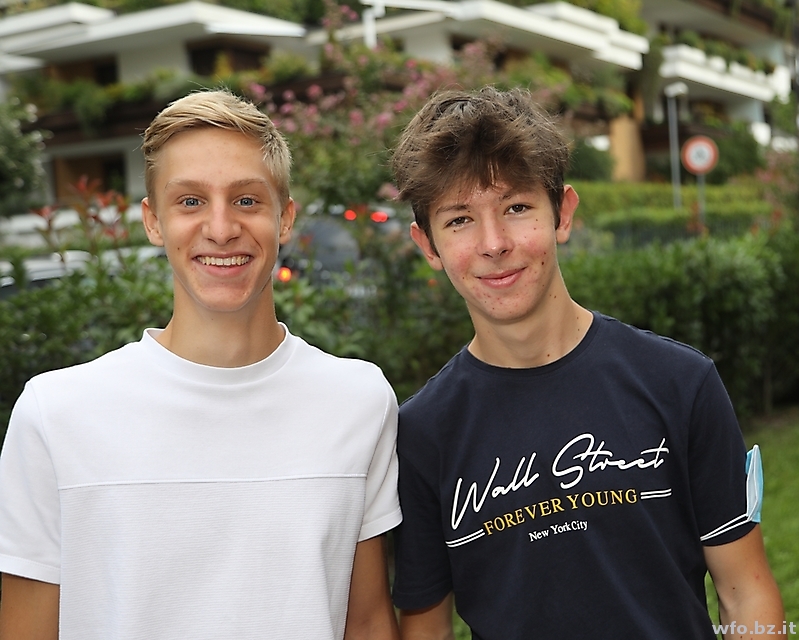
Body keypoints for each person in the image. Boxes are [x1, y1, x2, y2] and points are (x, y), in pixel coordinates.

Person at [0, 90, 401, 640]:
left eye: (246, 200)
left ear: (285, 218)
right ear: (153, 222)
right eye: (190, 201)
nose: (220, 228)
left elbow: (369, 623)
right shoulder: (55, 413)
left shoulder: (358, 400)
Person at [389, 86, 784, 640]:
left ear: (563, 213)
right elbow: (425, 630)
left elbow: (745, 593)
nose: (494, 243)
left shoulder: (679, 383)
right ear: (428, 245)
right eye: (459, 220)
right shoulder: (422, 434)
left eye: (516, 208)